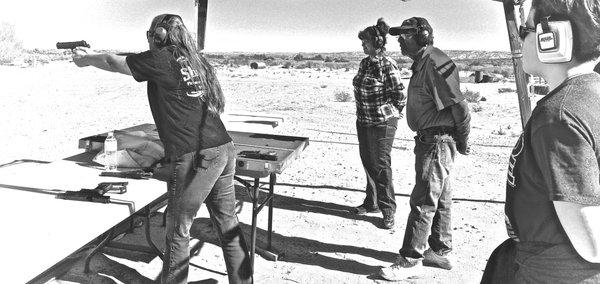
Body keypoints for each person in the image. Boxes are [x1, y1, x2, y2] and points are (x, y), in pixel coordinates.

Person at [71, 14, 252, 284]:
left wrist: (87, 60)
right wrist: (94, 53)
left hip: (197, 156)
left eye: (151, 35)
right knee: (228, 226)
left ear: (159, 36)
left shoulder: (162, 58)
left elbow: (113, 62)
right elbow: (128, 57)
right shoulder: (194, 59)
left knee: (178, 231)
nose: (149, 40)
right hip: (223, 148)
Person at [481, 0, 600, 282]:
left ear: (552, 37)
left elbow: (592, 242)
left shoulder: (558, 115)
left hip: (555, 273)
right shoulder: (589, 95)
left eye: (526, 29)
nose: (521, 38)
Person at [378, 17, 471, 281]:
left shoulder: (434, 62)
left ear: (423, 36)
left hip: (438, 141)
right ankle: (440, 251)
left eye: (406, 35)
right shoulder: (423, 63)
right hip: (433, 140)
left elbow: (461, 108)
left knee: (423, 201)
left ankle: (410, 259)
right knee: (440, 198)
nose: (400, 40)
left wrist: (462, 140)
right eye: (399, 35)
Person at [352, 18, 406, 230]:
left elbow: (399, 96)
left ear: (376, 43)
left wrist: (387, 116)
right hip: (363, 120)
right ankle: (371, 202)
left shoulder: (387, 65)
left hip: (381, 124)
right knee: (367, 161)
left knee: (380, 165)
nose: (362, 45)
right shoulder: (365, 63)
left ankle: (388, 209)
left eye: (365, 42)